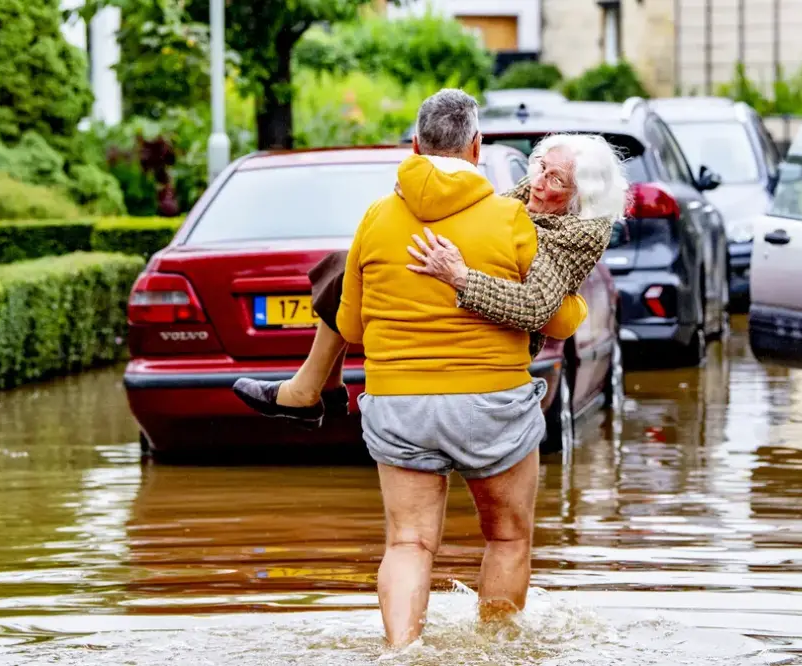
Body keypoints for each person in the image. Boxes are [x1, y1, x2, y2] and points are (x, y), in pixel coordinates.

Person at [232, 89, 628, 647]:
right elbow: (556, 319)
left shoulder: (376, 216)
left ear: (415, 146)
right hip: (493, 407)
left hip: (399, 406)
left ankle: (401, 653)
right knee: (508, 538)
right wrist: (576, 304)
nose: (541, 180)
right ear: (477, 147)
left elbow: (352, 326)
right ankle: (496, 651)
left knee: (408, 544)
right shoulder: (510, 218)